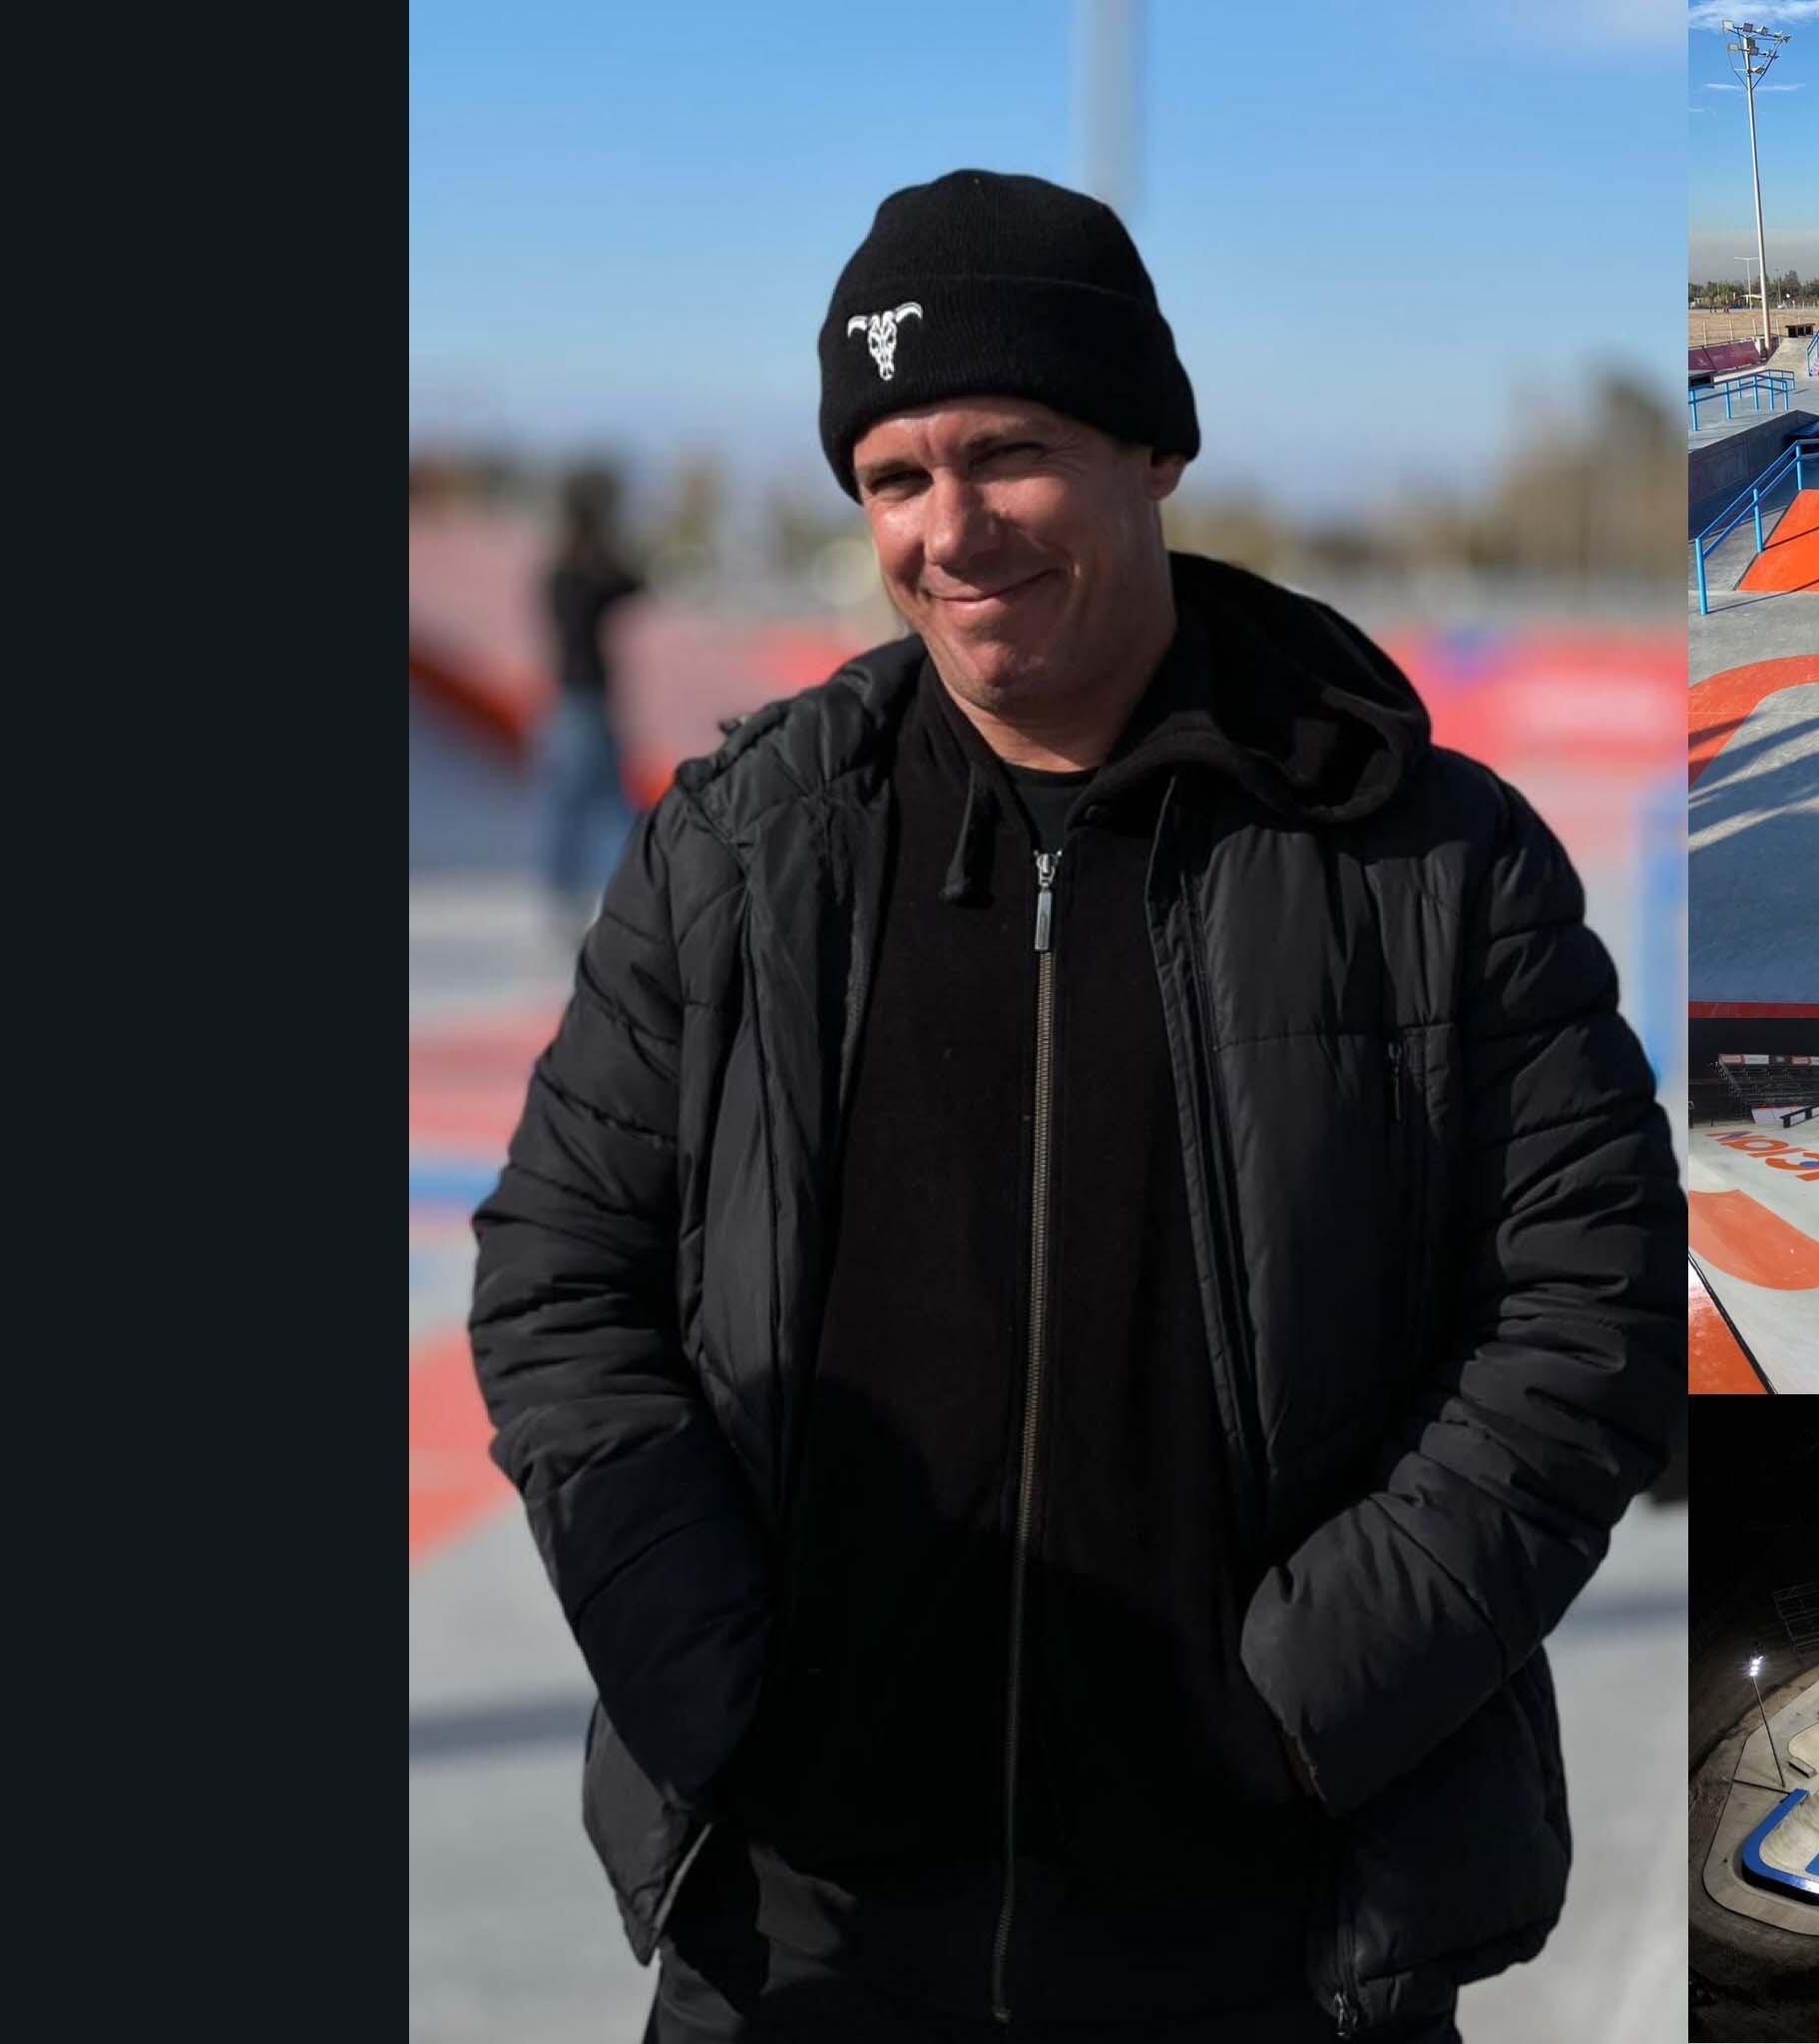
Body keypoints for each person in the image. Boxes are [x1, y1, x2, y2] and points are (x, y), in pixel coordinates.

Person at [472, 170, 1686, 2044]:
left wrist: (1299, 1699)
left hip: (1262, 1935)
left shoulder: (1427, 861)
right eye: (891, 476)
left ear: (1151, 448)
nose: (949, 529)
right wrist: (710, 1675)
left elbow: (1587, 1311)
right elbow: (558, 1272)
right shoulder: (743, 849)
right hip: (804, 1942)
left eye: (1006, 451)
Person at [537, 463, 649, 939]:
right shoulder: (577, 572)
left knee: (581, 806)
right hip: (580, 705)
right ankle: (604, 898)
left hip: (575, 704)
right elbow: (632, 581)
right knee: (592, 805)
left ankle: (595, 898)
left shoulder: (564, 568)